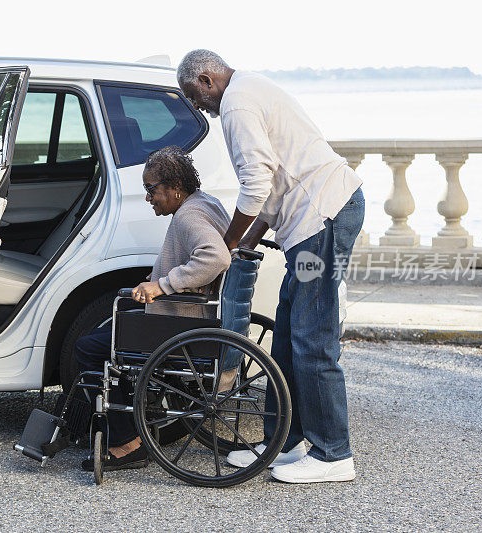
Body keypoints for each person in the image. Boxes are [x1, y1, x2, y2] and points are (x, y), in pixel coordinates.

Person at [177, 50, 365, 483]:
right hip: (313, 223)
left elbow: (257, 183)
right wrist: (247, 238)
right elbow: (274, 187)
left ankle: (333, 454)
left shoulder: (236, 104)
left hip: (323, 221)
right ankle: (283, 442)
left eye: (195, 96)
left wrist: (225, 244)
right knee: (288, 332)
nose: (198, 106)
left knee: (312, 336)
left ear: (206, 79)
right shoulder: (248, 89)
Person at [76, 145, 232, 472]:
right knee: (107, 333)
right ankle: (129, 424)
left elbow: (216, 257)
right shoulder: (205, 203)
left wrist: (162, 285)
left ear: (176, 187)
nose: (148, 197)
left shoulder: (189, 215)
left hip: (177, 325)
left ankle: (126, 443)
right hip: (190, 318)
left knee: (88, 349)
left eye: (151, 189)